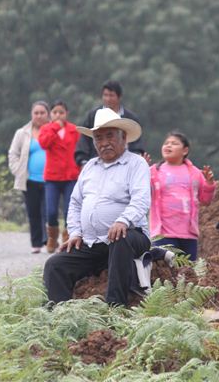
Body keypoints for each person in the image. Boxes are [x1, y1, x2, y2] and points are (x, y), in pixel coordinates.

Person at [43, 108, 151, 307]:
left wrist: (122, 221)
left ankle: (114, 307)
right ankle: (58, 316)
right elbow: (75, 203)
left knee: (121, 238)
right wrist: (75, 233)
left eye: (109, 136)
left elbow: (141, 200)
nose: (104, 143)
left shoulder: (136, 164)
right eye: (98, 138)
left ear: (124, 137)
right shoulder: (90, 167)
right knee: (55, 264)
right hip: (93, 243)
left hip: (131, 238)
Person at [146, 131, 216, 261]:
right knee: (164, 273)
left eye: (174, 143)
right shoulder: (154, 172)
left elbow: (205, 200)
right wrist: (141, 170)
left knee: (187, 274)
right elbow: (142, 193)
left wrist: (209, 184)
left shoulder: (195, 173)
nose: (168, 146)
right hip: (162, 234)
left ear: (185, 150)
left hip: (188, 234)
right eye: (166, 143)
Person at [38, 100, 80, 253]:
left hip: (70, 176)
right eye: (55, 112)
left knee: (70, 209)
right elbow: (44, 143)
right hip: (52, 177)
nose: (58, 115)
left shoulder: (74, 130)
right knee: (51, 211)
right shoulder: (46, 128)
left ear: (66, 114)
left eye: (61, 112)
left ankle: (68, 236)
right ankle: (52, 237)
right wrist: (55, 127)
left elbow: (80, 149)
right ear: (50, 114)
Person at [9, 101, 51, 253]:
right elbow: (13, 154)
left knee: (48, 212)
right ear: (31, 115)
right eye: (36, 113)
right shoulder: (22, 133)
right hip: (29, 180)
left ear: (48, 114)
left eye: (42, 113)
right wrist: (17, 170)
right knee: (33, 212)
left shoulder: (55, 131)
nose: (39, 116)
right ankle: (36, 243)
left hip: (50, 180)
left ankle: (50, 240)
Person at [74, 80, 145, 167]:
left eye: (111, 95)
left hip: (124, 164)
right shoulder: (93, 116)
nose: (108, 99)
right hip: (97, 164)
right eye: (105, 95)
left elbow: (136, 145)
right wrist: (83, 161)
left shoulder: (130, 118)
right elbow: (84, 141)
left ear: (119, 97)